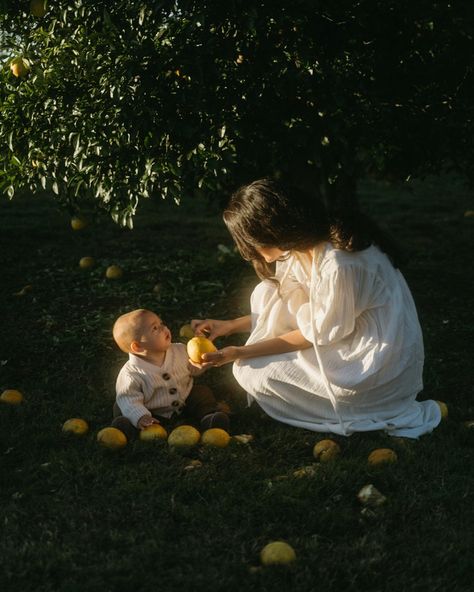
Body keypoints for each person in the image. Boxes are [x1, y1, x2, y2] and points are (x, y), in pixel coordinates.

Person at [191, 178, 442, 438]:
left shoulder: (339, 263)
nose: (248, 249)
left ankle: (359, 407)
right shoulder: (302, 249)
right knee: (269, 292)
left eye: (249, 240)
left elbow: (313, 334)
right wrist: (230, 326)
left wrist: (239, 352)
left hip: (373, 366)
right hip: (345, 336)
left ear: (269, 231)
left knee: (251, 371)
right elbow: (287, 309)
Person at [111, 308, 229, 441]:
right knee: (123, 406)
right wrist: (141, 416)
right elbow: (129, 399)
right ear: (138, 347)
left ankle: (209, 418)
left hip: (183, 401)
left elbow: (192, 370)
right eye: (155, 328)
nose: (164, 328)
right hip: (153, 412)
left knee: (202, 393)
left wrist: (199, 367)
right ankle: (127, 428)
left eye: (161, 323)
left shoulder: (180, 350)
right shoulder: (131, 374)